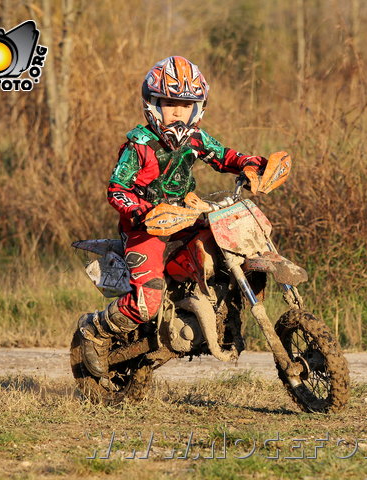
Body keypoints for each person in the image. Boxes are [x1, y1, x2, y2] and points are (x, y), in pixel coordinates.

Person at [78, 56, 272, 378]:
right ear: (153, 104)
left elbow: (225, 157)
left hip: (186, 215)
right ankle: (94, 330)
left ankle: (213, 312)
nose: (178, 111)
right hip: (145, 228)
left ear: (197, 108)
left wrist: (252, 165)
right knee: (147, 302)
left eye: (186, 104)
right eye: (169, 103)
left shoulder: (195, 139)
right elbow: (117, 189)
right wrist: (142, 211)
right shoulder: (138, 145)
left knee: (228, 251)